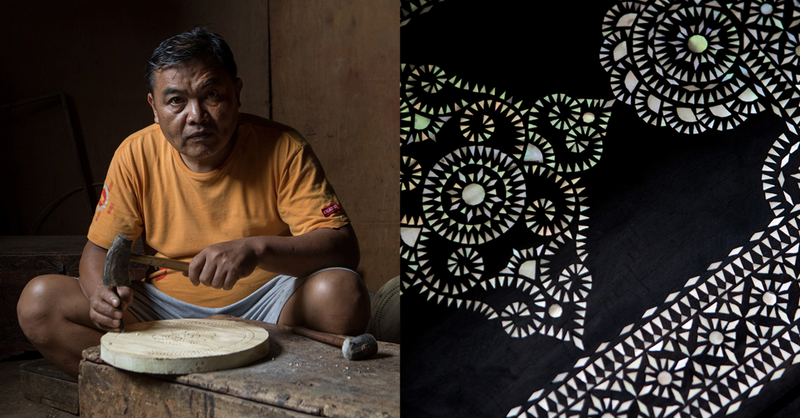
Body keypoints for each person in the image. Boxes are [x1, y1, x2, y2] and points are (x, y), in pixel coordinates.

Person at [16, 27, 371, 379]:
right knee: (39, 303)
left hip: (270, 309)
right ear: (154, 108)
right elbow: (98, 251)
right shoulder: (135, 154)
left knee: (343, 294)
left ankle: (229, 385)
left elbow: (343, 249)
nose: (196, 116)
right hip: (163, 315)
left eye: (212, 94)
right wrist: (102, 297)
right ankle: (150, 397)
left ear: (237, 93)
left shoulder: (283, 148)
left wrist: (256, 249)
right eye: (176, 101)